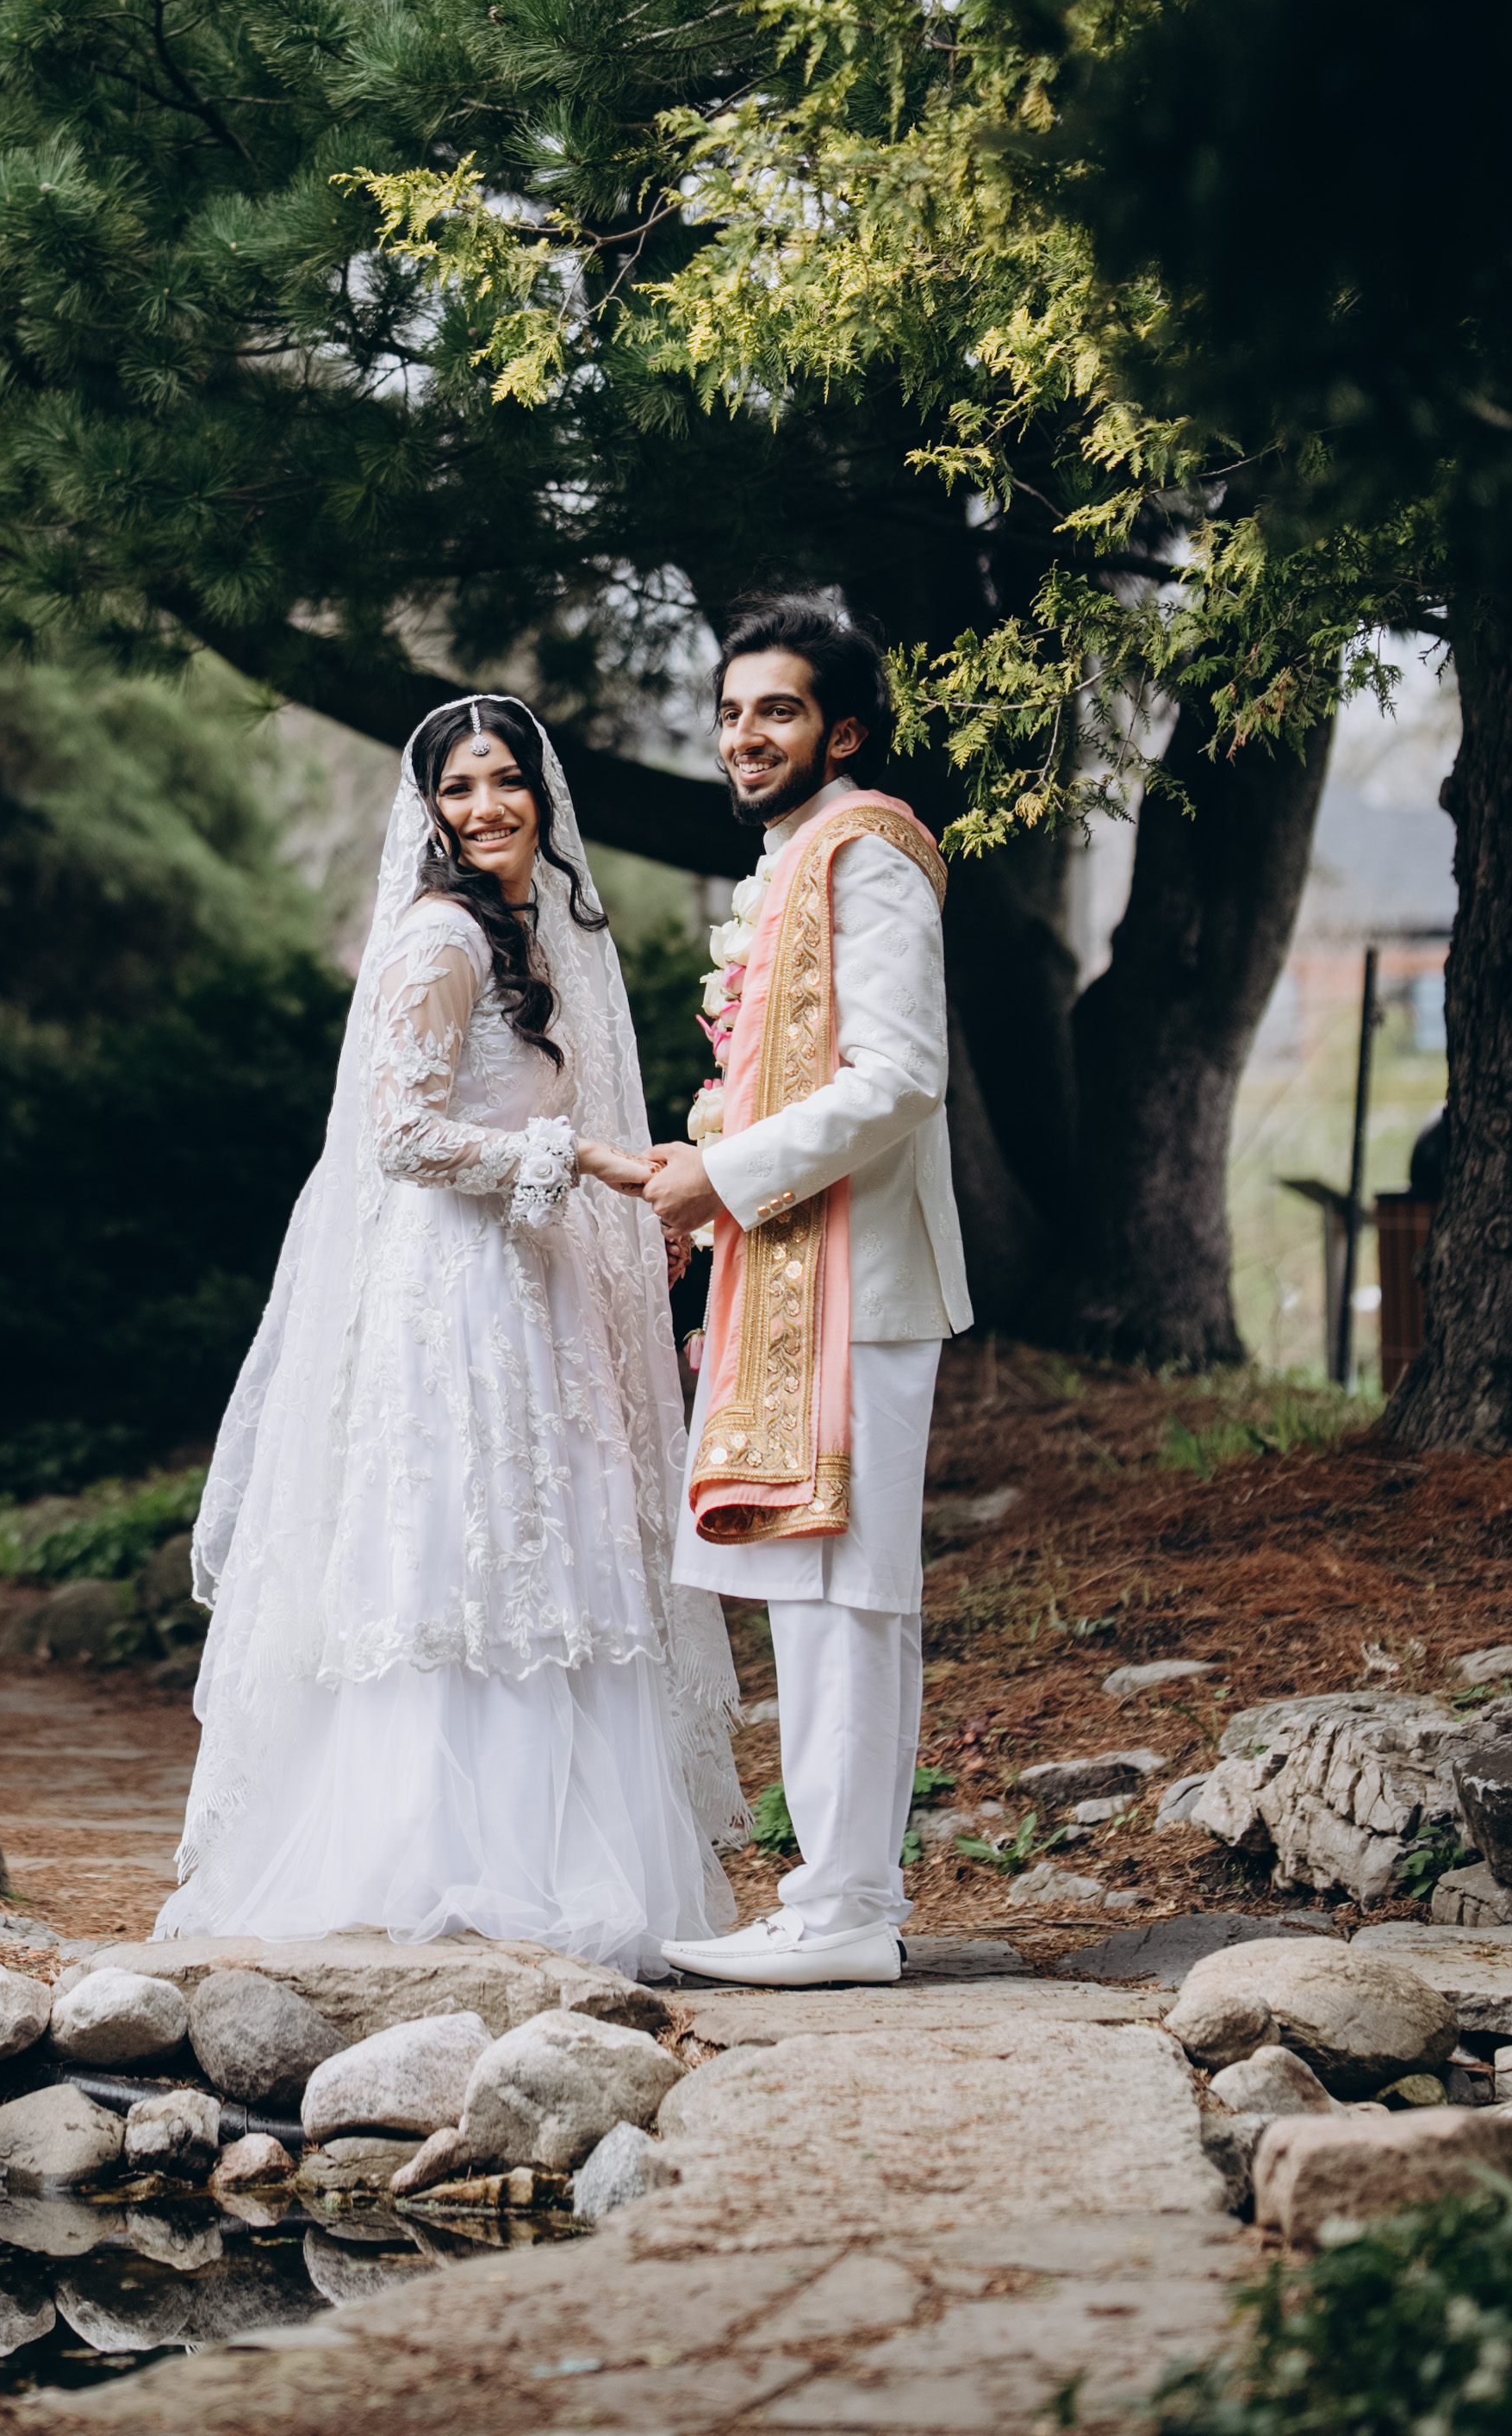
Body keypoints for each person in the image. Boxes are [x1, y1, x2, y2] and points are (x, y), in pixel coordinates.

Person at [159, 695, 744, 1973]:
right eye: (458, 788)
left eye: (504, 780)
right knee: (464, 1547)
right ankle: (431, 1855)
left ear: (542, 791)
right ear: (429, 811)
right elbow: (403, 1135)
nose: (485, 808)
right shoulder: (440, 938)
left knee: (557, 1547)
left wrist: (631, 1213)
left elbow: (541, 1104)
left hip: (537, 1274)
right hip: (459, 1287)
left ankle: (557, 1852)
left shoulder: (542, 931)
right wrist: (583, 1160)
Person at [626, 599, 968, 1991]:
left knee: (848, 1598)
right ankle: (837, 1896)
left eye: (776, 709)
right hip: (798, 1269)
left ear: (842, 731)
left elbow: (898, 1076)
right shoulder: (793, 857)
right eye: (730, 712)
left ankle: (845, 1909)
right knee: (816, 1597)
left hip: (861, 1283)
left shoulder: (865, 852)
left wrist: (719, 1174)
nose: (743, 734)